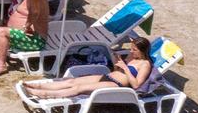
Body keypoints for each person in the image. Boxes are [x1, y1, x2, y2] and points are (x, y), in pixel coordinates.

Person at [17, 36, 158, 104]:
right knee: (72, 81)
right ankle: (38, 85)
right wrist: (117, 64)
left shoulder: (145, 64)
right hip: (109, 75)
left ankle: (44, 94)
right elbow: (117, 69)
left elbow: (136, 85)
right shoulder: (131, 56)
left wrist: (126, 68)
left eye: (134, 50)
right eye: (131, 49)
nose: (131, 51)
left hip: (117, 84)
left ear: (142, 50)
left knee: (79, 88)